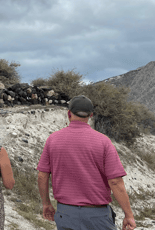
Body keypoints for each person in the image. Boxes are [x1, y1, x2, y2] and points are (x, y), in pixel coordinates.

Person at [37, 95, 136, 230]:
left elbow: (42, 175)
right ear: (91, 115)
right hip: (97, 215)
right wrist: (128, 215)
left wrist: (46, 203)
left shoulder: (53, 140)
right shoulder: (103, 141)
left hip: (65, 213)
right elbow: (115, 182)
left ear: (69, 114)